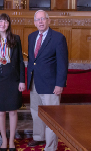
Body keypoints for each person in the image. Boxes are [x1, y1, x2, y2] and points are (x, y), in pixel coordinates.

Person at [27, 10, 68, 151]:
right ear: (34, 22)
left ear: (48, 20)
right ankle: (39, 137)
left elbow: (63, 63)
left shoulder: (58, 38)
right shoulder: (31, 37)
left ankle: (51, 146)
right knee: (35, 112)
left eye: (43, 19)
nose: (40, 22)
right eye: (38, 19)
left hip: (51, 84)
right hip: (34, 83)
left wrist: (60, 84)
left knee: (52, 117)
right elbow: (32, 61)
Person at [0, 13, 26, 151]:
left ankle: (11, 140)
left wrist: (22, 81)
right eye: (0, 21)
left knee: (12, 111)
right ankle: (3, 140)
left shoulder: (15, 39)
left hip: (13, 79)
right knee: (0, 111)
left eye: (5, 22)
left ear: (8, 24)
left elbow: (21, 62)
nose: (2, 24)